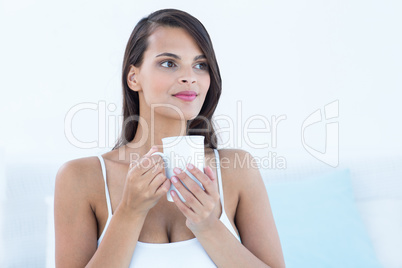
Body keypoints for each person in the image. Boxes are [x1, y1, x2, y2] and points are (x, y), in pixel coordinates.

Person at [54, 8, 285, 268]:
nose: (189, 77)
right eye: (169, 63)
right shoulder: (80, 178)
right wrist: (130, 212)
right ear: (134, 77)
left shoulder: (237, 170)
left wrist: (209, 227)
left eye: (200, 65)